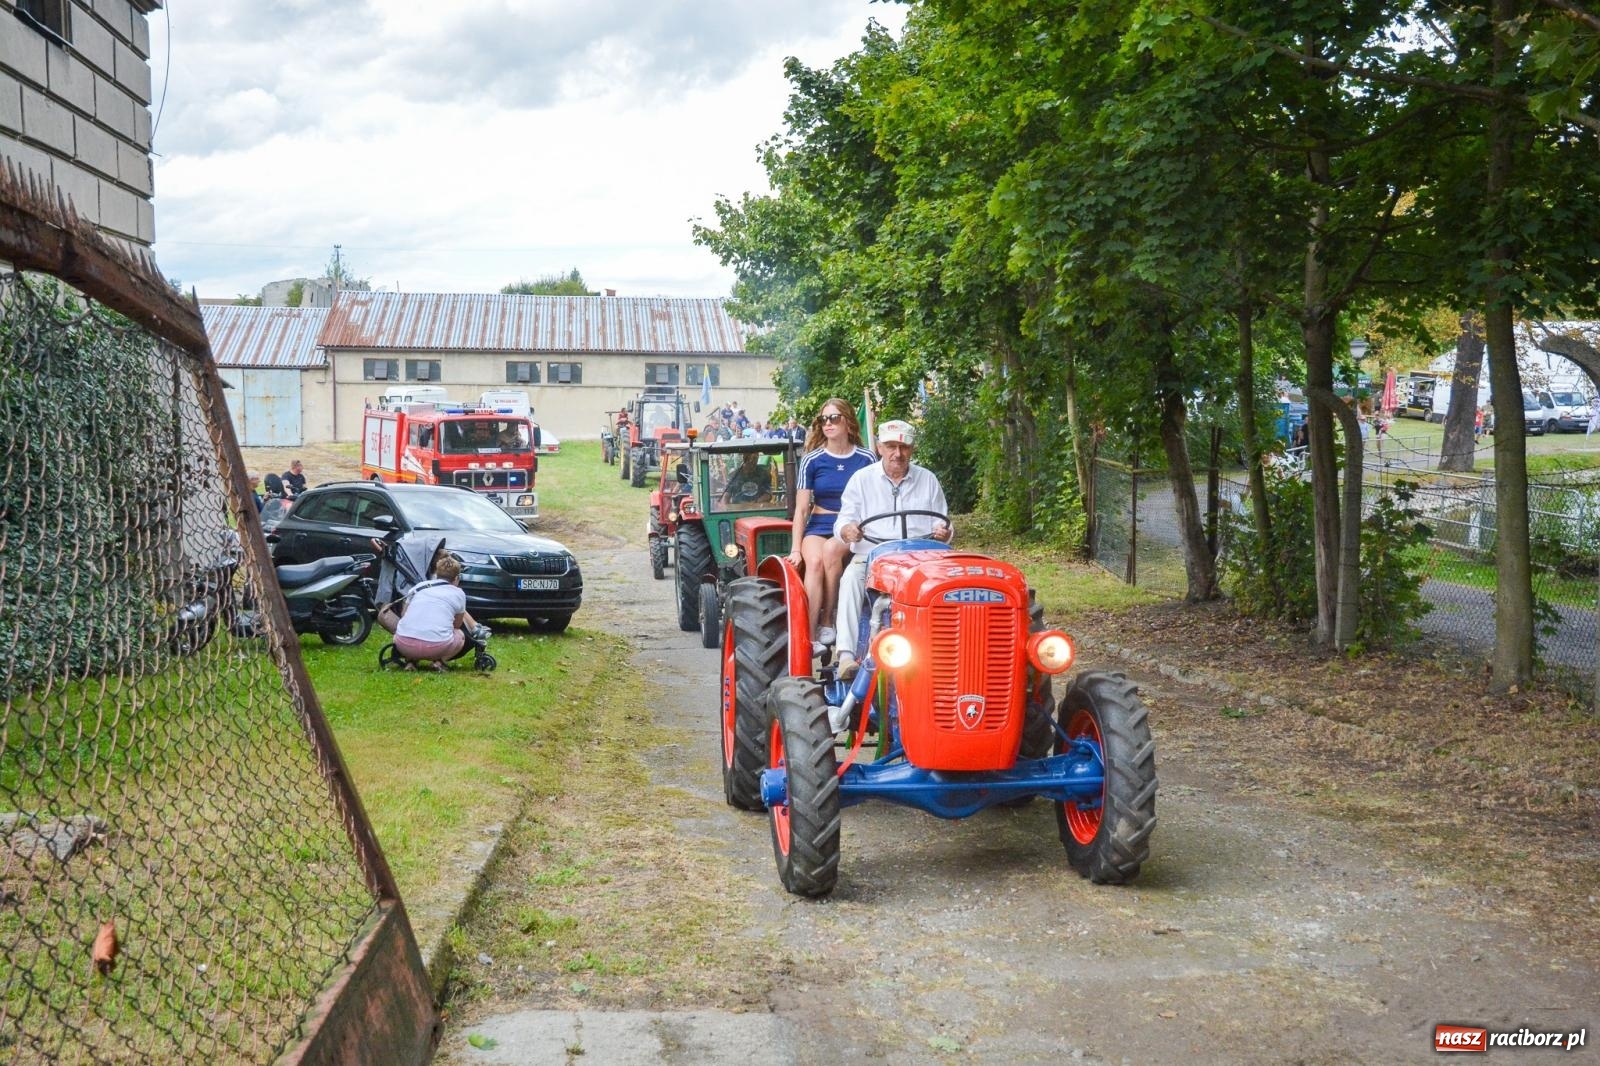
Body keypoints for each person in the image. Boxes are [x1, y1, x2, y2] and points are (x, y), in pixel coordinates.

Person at [833, 419, 950, 678]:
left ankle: (945, 652)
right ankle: (846, 656)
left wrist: (944, 531)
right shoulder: (861, 480)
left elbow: (943, 522)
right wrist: (847, 530)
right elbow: (843, 519)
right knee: (851, 578)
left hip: (922, 558)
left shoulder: (928, 479)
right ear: (879, 447)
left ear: (912, 448)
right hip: (872, 556)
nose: (897, 453)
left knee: (950, 588)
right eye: (890, 446)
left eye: (903, 446)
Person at [787, 399, 875, 653]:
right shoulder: (813, 460)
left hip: (851, 526)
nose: (828, 424)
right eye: (823, 419)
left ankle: (829, 622)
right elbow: (802, 509)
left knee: (831, 552)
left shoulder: (866, 457)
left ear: (847, 421)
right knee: (813, 562)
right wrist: (795, 548)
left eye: (834, 418)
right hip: (819, 522)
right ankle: (810, 635)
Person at [392, 555, 481, 671]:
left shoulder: (419, 587)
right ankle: (439, 662)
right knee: (460, 635)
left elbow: (404, 615)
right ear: (456, 578)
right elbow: (457, 625)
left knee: (404, 629)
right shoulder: (458, 593)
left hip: (404, 644)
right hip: (437, 646)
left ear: (436, 574)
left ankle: (410, 661)